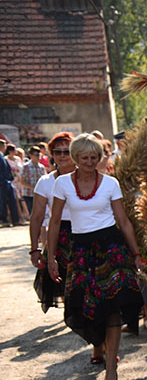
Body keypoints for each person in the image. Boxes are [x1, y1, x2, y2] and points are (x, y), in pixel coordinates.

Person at [47, 133, 143, 380]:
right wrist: (51, 256)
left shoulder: (111, 183)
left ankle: (111, 367)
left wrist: (135, 254)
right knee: (84, 304)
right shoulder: (63, 184)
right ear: (75, 158)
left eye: (94, 157)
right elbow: (55, 222)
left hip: (111, 248)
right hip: (80, 249)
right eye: (84, 157)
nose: (89, 162)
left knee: (112, 306)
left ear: (100, 158)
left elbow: (123, 220)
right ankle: (97, 348)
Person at [28, 133, 75, 314]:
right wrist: (35, 249)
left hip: (84, 232)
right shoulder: (45, 182)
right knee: (61, 279)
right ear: (52, 155)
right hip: (59, 236)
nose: (62, 155)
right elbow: (37, 216)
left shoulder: (86, 178)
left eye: (67, 151)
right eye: (58, 151)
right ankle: (71, 311)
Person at [20, 146, 47, 217]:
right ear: (31, 155)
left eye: (39, 155)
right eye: (36, 155)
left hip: (40, 194)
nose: (38, 157)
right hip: (29, 194)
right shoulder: (26, 167)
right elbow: (22, 182)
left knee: (40, 214)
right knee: (32, 214)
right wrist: (33, 188)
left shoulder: (41, 167)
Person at [2, 144, 22, 226]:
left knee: (13, 201)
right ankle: (5, 220)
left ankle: (15, 219)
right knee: (3, 202)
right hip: (4, 182)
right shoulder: (4, 157)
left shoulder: (2, 156)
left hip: (11, 181)